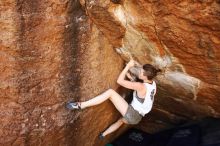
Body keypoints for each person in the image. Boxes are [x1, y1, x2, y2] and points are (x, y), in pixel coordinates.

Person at [66, 60, 161, 139]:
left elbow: (119, 81)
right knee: (120, 121)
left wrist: (127, 66)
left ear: (145, 76)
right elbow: (143, 94)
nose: (139, 71)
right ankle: (103, 135)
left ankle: (80, 105)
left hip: (133, 114)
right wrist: (131, 79)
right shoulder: (153, 85)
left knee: (110, 93)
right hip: (137, 118)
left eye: (141, 71)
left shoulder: (141, 86)